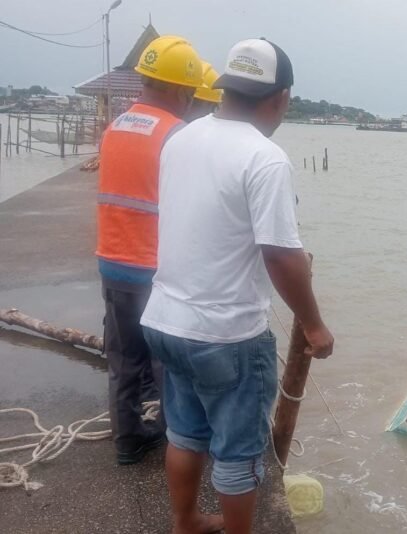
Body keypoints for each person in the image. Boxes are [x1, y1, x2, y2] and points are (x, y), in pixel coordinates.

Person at [141, 38, 334, 534]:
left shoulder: (179, 138)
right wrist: (313, 326)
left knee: (184, 434)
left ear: (225, 86)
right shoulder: (265, 157)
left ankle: (185, 522)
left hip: (165, 322)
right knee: (239, 450)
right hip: (225, 337)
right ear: (282, 98)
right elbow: (282, 255)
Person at [96, 35, 203, 466]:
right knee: (166, 363)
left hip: (112, 262)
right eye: (192, 95)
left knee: (123, 359)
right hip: (156, 268)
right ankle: (175, 440)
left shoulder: (116, 126)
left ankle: (126, 442)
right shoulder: (176, 135)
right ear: (180, 89)